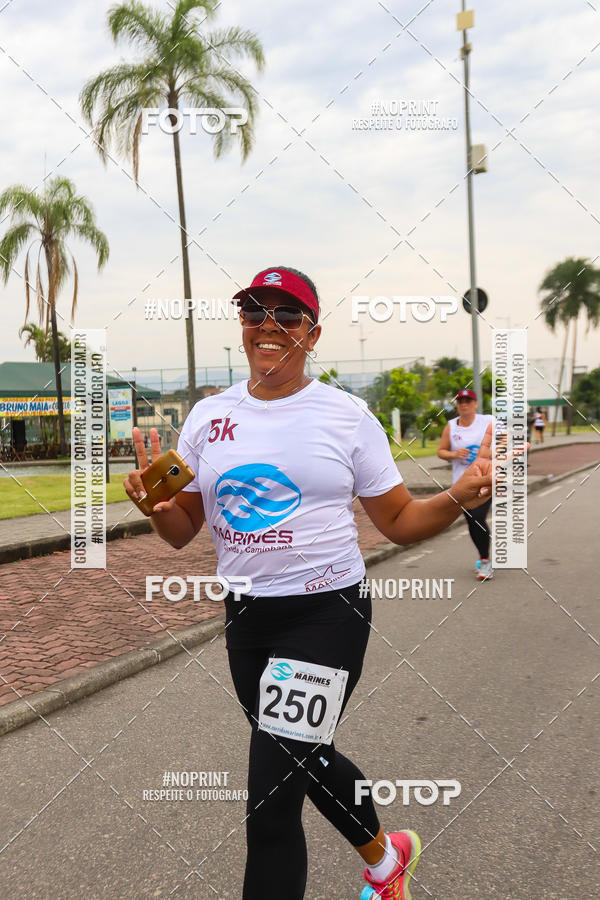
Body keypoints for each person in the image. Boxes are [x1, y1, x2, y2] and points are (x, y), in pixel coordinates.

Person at [124, 266, 495, 900]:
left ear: (312, 332)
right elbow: (184, 528)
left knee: (270, 800)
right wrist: (156, 511)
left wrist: (459, 498)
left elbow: (400, 520)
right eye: (253, 314)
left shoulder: (347, 417)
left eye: (286, 316)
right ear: (240, 329)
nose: (267, 328)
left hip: (327, 616)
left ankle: (384, 860)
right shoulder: (207, 418)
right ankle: (386, 857)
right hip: (245, 618)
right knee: (301, 756)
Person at [437, 389, 495, 581]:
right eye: (460, 401)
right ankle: (483, 554)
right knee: (472, 520)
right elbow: (441, 451)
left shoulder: (488, 421)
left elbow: (504, 441)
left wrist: (491, 455)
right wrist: (454, 454)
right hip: (462, 484)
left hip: (485, 480)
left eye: (468, 401)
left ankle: (486, 562)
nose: (464, 404)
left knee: (477, 516)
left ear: (475, 403)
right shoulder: (451, 426)